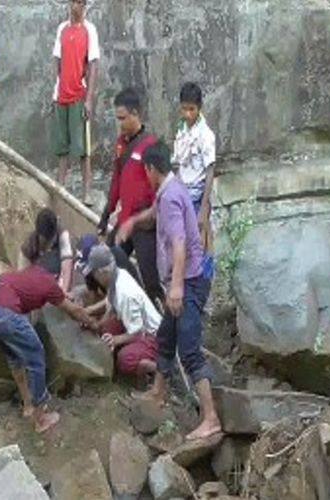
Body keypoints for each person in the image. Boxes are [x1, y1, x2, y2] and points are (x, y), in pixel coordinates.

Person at [119, 141, 222, 442]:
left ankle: (211, 417)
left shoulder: (170, 199)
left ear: (151, 169)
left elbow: (178, 243)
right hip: (185, 281)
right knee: (165, 336)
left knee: (189, 349)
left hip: (188, 282)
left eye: (146, 171)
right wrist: (133, 222)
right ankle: (158, 393)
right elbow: (152, 214)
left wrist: (175, 287)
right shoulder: (170, 191)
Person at [0, 258, 97, 433]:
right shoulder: (49, 283)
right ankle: (40, 418)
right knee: (36, 357)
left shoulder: (28, 275)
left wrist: (64, 296)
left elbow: (38, 295)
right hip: (6, 315)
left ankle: (28, 406)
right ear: (55, 275)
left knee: (14, 358)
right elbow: (73, 311)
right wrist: (93, 323)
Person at [99, 87, 164, 304]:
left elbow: (160, 187)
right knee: (105, 263)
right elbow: (116, 179)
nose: (120, 123)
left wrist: (153, 218)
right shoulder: (120, 144)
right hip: (124, 219)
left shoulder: (151, 146)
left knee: (151, 279)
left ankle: (161, 320)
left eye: (123, 118)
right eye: (117, 118)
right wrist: (107, 211)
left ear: (136, 114)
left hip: (145, 224)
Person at [85, 244, 159, 378]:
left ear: (102, 272)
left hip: (152, 335)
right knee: (107, 329)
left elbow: (137, 332)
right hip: (135, 326)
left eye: (94, 273)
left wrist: (115, 340)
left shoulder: (125, 293)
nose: (94, 277)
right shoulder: (117, 275)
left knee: (125, 359)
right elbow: (111, 305)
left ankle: (159, 368)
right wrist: (97, 321)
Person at [52, 0, 100, 206]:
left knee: (82, 147)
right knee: (62, 144)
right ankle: (61, 186)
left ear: (85, 6)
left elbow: (93, 64)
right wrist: (56, 86)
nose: (76, 6)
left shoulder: (90, 30)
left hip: (79, 95)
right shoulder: (62, 29)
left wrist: (89, 99)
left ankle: (86, 191)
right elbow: (56, 58)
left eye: (81, 2)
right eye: (74, 2)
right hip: (62, 94)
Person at [172, 82, 216, 280]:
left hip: (198, 197)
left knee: (201, 244)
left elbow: (210, 169)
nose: (188, 114)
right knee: (185, 243)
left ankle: (204, 285)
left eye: (192, 109)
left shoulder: (206, 136)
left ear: (199, 108)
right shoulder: (181, 131)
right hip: (183, 194)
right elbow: (178, 163)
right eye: (184, 109)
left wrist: (204, 208)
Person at [18, 208, 74, 293]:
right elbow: (23, 280)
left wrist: (63, 293)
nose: (50, 244)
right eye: (45, 241)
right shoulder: (28, 248)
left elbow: (67, 265)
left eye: (51, 240)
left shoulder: (62, 234)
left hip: (57, 275)